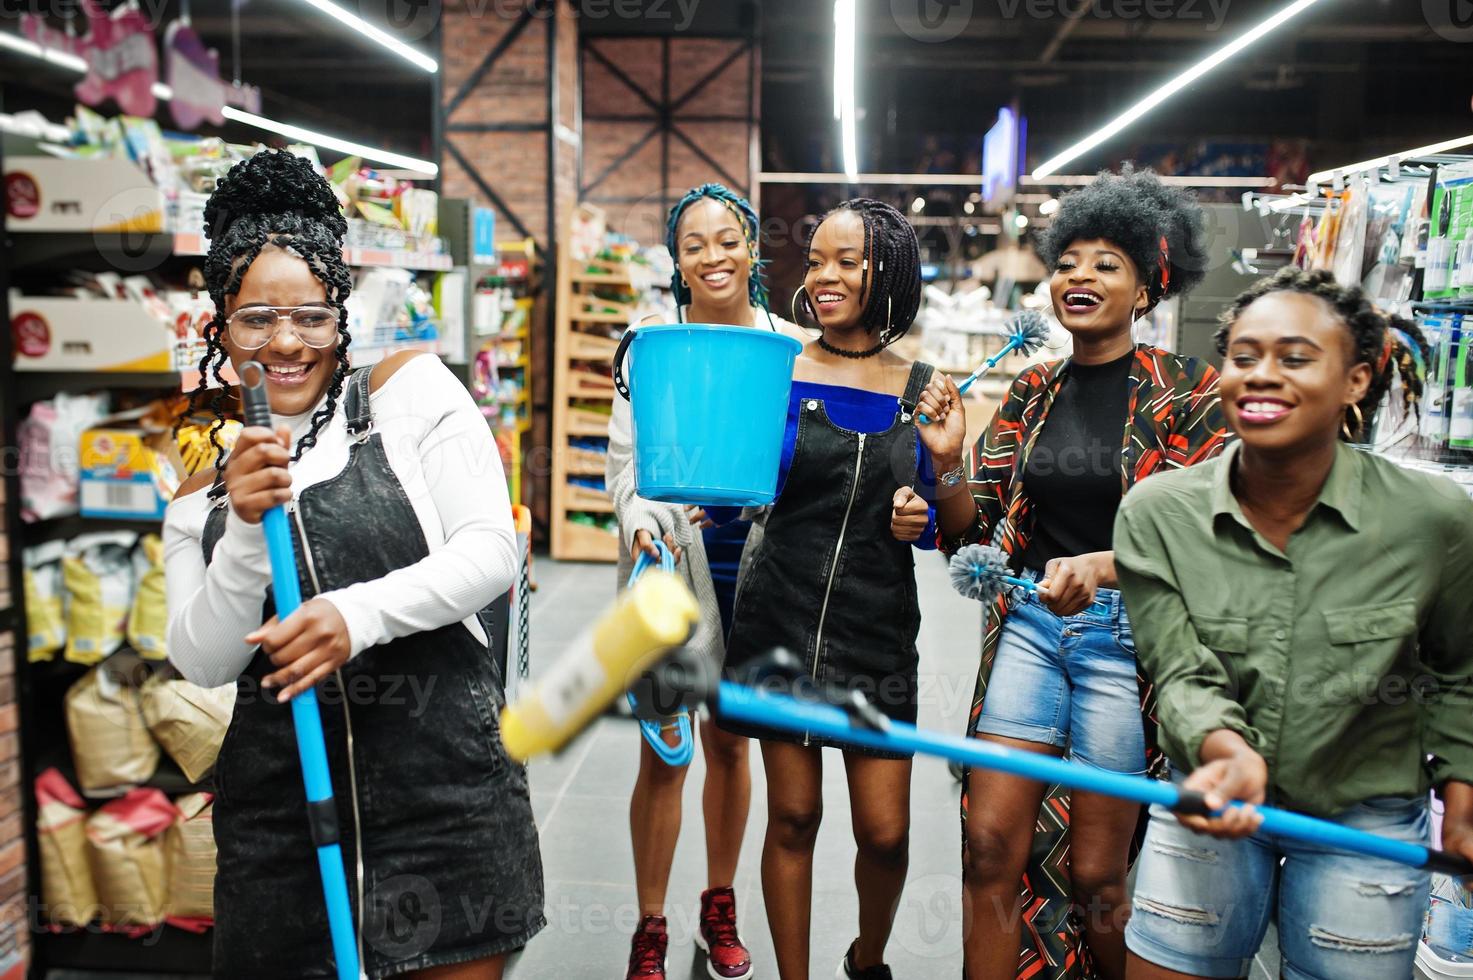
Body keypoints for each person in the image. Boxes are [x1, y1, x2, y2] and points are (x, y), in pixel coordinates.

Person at [163, 150, 543, 980]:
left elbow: (488, 550)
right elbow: (200, 656)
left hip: (442, 798)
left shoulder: (410, 395)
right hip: (284, 826)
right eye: (257, 317)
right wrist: (242, 532)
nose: (286, 342)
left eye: (310, 316)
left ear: (341, 315)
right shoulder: (200, 489)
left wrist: (354, 617)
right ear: (219, 328)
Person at [1115, 267, 1473, 980]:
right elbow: (1179, 669)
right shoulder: (1157, 512)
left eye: (1295, 358)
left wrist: (1462, 801)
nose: (1260, 376)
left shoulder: (1431, 520)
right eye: (1243, 357)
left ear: (1356, 381)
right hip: (1209, 795)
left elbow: (1458, 672)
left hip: (1363, 815)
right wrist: (1227, 751)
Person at [928, 166, 1229, 980]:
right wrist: (948, 466)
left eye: (1105, 263)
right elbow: (971, 537)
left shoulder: (1188, 396)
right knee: (989, 846)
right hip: (1027, 628)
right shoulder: (1029, 391)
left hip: (1123, 644)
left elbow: (1214, 535)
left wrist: (1106, 566)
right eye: (1067, 262)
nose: (1078, 277)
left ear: (1146, 287)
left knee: (1099, 875)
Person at [721, 197, 945, 980]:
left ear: (887, 273)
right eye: (815, 260)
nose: (822, 276)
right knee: (793, 815)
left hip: (876, 629)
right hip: (777, 614)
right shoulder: (774, 370)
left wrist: (934, 490)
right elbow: (735, 485)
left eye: (845, 262)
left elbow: (956, 523)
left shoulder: (923, 388)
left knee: (884, 831)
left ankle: (867, 958)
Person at [606, 183, 801, 980]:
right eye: (694, 244)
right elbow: (624, 463)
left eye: (728, 240)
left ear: (752, 249)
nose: (712, 256)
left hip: (753, 563)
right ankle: (649, 924)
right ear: (676, 261)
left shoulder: (790, 344)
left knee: (730, 743)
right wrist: (639, 516)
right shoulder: (648, 344)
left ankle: (718, 904)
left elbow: (801, 459)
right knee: (665, 750)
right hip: (672, 562)